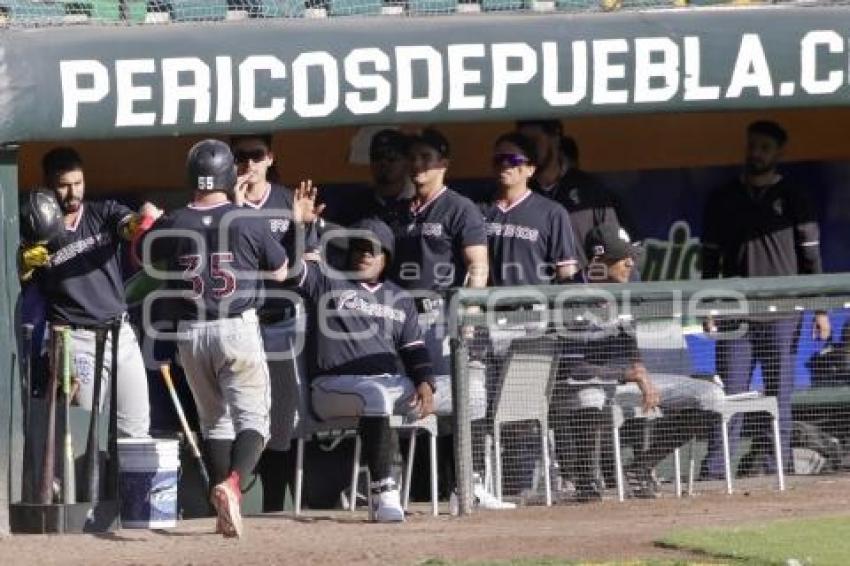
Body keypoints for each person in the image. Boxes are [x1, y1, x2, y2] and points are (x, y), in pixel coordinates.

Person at [142, 139, 289, 538]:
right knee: (254, 419)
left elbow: (142, 252)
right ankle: (233, 484)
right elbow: (281, 271)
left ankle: (224, 503)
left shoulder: (174, 221)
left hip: (191, 334)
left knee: (215, 423)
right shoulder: (244, 218)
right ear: (229, 174)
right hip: (236, 328)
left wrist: (151, 219)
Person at [700, 120, 830, 478]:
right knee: (729, 397)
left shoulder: (794, 198)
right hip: (735, 313)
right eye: (753, 145)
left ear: (779, 153)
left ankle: (779, 469)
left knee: (779, 397)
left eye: (765, 148)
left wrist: (820, 310)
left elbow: (812, 261)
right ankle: (716, 472)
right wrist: (708, 305)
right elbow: (709, 259)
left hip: (782, 312)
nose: (756, 153)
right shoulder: (723, 198)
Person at [556, 224, 721, 500]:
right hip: (577, 386)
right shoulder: (568, 294)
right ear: (599, 261)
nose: (631, 263)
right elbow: (572, 369)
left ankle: (642, 467)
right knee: (590, 396)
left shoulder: (625, 290)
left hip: (622, 380)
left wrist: (640, 371)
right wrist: (627, 373)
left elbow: (629, 340)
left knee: (710, 397)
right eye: (623, 258)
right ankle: (586, 481)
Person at [289, 216, 437, 522]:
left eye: (373, 249)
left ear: (386, 258)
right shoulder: (328, 282)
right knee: (377, 395)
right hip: (333, 387)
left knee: (455, 393)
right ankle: (385, 493)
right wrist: (302, 227)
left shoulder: (401, 299)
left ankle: (467, 486)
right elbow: (299, 269)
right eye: (358, 247)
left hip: (387, 383)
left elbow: (413, 349)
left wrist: (425, 381)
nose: (364, 254)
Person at [17, 147, 154, 440]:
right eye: (64, 185)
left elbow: (128, 226)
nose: (72, 192)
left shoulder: (102, 212)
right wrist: (24, 264)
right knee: (83, 433)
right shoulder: (36, 230)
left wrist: (141, 221)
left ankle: (128, 487)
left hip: (120, 333)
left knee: (135, 428)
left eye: (78, 183)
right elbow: (21, 281)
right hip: (74, 339)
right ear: (49, 185)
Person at [228, 133, 317, 512]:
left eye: (256, 155)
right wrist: (233, 208)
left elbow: (303, 270)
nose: (248, 163)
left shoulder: (288, 200)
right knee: (238, 415)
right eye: (241, 156)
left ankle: (275, 510)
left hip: (281, 320)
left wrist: (299, 226)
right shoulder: (221, 204)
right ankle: (232, 498)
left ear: (270, 158)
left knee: (281, 418)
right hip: (239, 320)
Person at [389, 128, 489, 376]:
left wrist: (469, 315)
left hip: (439, 316)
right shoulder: (400, 209)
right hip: (401, 315)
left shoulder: (460, 208)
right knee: (405, 395)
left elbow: (478, 266)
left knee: (442, 392)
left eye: (425, 157)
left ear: (444, 164)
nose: (417, 164)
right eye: (412, 157)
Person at [516, 119, 636, 268]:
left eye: (533, 141)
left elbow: (613, 248)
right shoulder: (516, 190)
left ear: (555, 138)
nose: (528, 150)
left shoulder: (589, 188)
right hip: (533, 288)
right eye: (522, 144)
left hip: (580, 288)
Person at [481, 131, 579, 288]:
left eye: (513, 160)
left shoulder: (552, 213)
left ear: (530, 169)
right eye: (499, 159)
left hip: (534, 308)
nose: (505, 165)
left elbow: (566, 272)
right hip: (490, 307)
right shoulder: (478, 209)